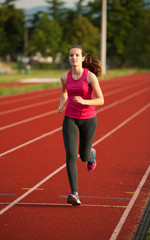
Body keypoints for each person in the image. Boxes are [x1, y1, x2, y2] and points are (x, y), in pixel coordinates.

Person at [58, 45, 104, 206]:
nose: (74, 58)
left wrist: (84, 101)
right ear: (68, 58)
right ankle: (74, 193)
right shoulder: (64, 77)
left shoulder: (90, 77)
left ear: (83, 58)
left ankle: (91, 154)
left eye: (77, 55)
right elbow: (64, 93)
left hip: (89, 120)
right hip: (70, 117)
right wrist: (61, 105)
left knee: (83, 156)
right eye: (71, 55)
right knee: (71, 155)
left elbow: (101, 100)